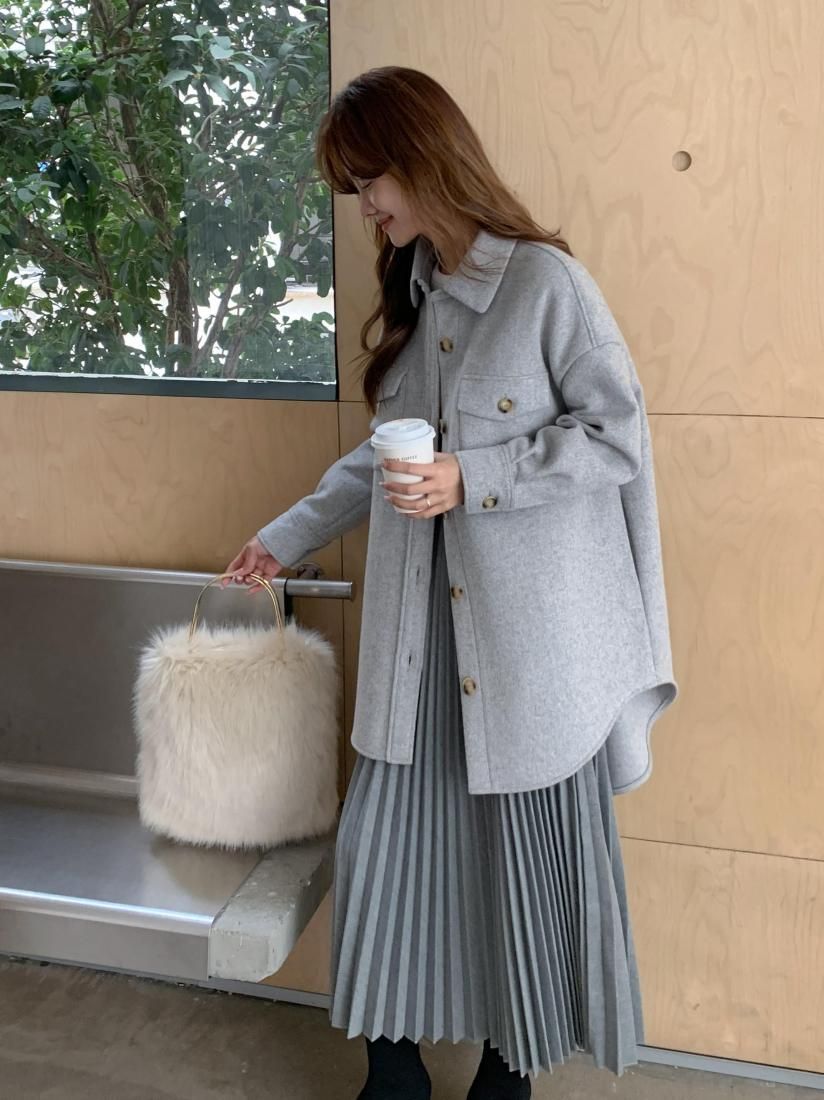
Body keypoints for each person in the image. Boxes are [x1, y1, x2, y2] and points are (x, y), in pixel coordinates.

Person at [225, 65, 678, 1100]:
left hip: (526, 651)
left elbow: (615, 436)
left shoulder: (546, 287)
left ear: (425, 160)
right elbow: (384, 457)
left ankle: (505, 1076)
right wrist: (282, 539)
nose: (364, 207)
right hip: (418, 646)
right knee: (387, 857)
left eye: (369, 180)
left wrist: (475, 476)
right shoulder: (422, 287)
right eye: (353, 188)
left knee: (523, 868)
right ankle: (394, 1074)